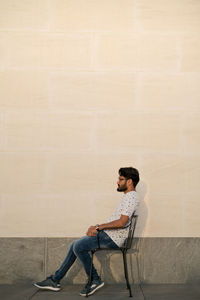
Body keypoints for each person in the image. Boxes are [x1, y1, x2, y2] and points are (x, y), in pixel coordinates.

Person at [34, 167, 140, 296]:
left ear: (129, 182)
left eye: (121, 179)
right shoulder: (129, 197)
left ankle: (94, 279)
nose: (117, 182)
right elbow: (119, 221)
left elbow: (122, 222)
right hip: (110, 235)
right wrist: (97, 227)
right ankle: (55, 280)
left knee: (78, 246)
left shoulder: (131, 197)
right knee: (74, 245)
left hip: (113, 238)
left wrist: (98, 227)